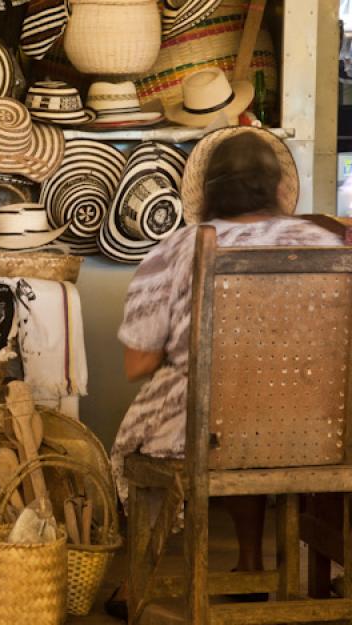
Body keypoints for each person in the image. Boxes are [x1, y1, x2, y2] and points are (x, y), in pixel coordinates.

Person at [105, 129, 344, 620]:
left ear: (207, 194)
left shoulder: (178, 249)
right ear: (280, 189)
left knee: (202, 413)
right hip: (319, 431)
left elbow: (139, 364)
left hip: (214, 431)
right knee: (258, 399)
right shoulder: (326, 243)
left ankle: (138, 584)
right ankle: (251, 564)